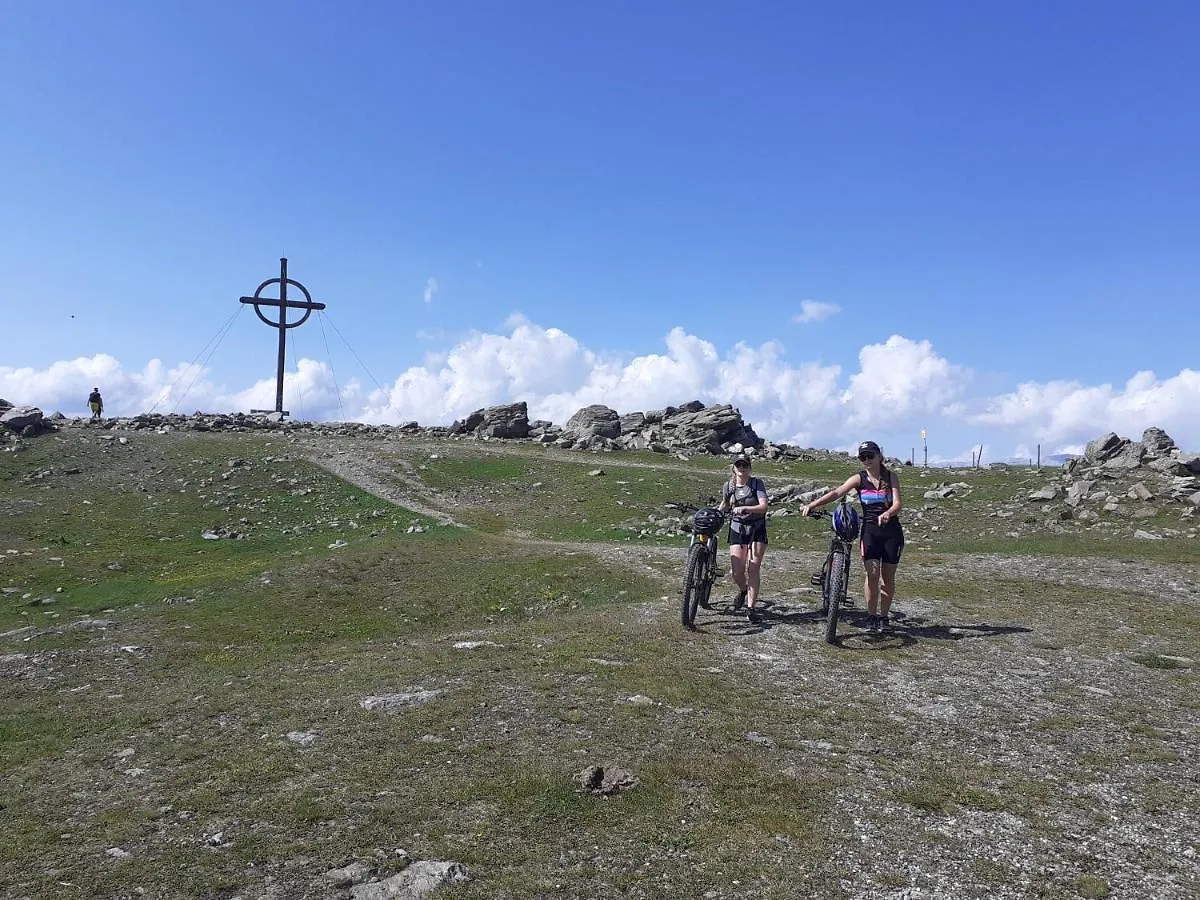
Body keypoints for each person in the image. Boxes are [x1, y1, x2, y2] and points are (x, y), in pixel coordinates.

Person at [802, 440, 904, 633]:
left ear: (879, 456)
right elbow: (837, 492)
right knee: (872, 574)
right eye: (862, 457)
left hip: (891, 532)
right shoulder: (859, 478)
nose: (867, 460)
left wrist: (888, 513)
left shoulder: (891, 477)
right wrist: (812, 505)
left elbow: (898, 503)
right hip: (870, 532)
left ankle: (884, 616)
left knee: (887, 578)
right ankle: (871, 615)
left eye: (870, 456)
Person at [717, 453, 769, 625]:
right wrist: (716, 514)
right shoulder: (729, 486)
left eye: (744, 465)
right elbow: (724, 504)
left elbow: (763, 507)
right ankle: (743, 589)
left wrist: (746, 508)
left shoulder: (756, 484)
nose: (742, 468)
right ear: (734, 468)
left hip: (757, 529)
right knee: (737, 571)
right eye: (738, 465)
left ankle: (751, 609)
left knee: (753, 569)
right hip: (737, 529)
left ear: (749, 467)